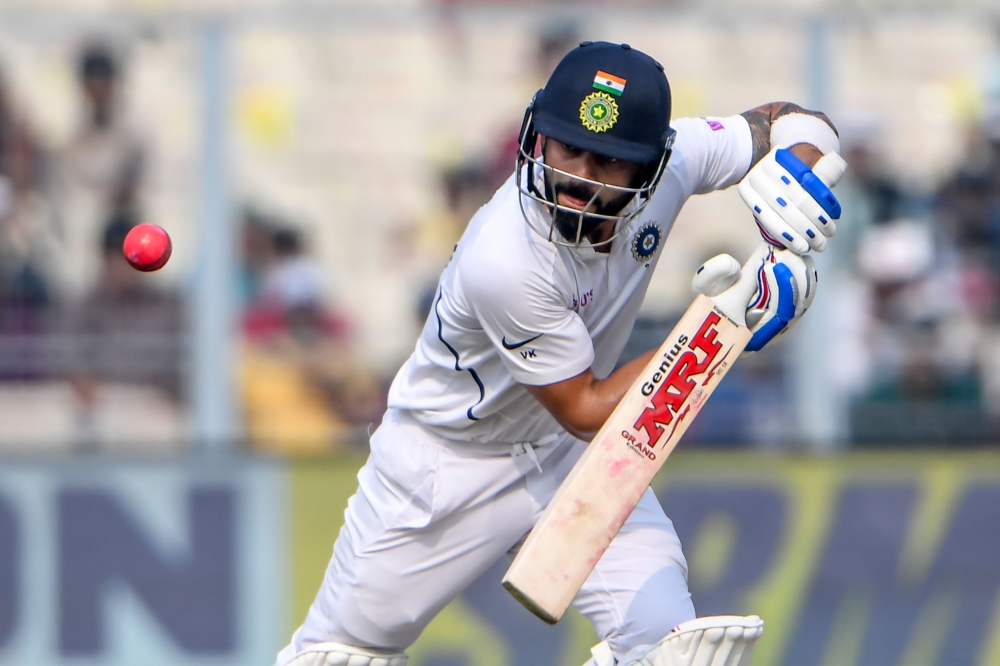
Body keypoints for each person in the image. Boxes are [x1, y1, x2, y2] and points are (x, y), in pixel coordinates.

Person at [276, 42, 846, 666]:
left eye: (607, 161)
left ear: (652, 165)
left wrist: (801, 173)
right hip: (444, 465)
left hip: (573, 461)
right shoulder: (505, 257)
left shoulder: (678, 158)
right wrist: (733, 319)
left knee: (679, 654)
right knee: (337, 658)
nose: (577, 176)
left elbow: (789, 119)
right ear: (537, 133)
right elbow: (584, 406)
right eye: (567, 147)